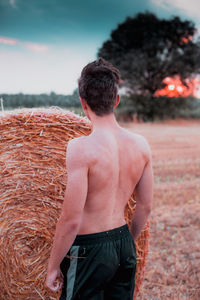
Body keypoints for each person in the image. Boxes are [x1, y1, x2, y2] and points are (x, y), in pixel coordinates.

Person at [45, 58, 153, 299]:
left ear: (83, 103)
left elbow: (71, 219)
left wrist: (53, 266)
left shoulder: (80, 148)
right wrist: (126, 242)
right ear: (116, 100)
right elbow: (145, 207)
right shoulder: (141, 145)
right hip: (124, 243)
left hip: (88, 249)